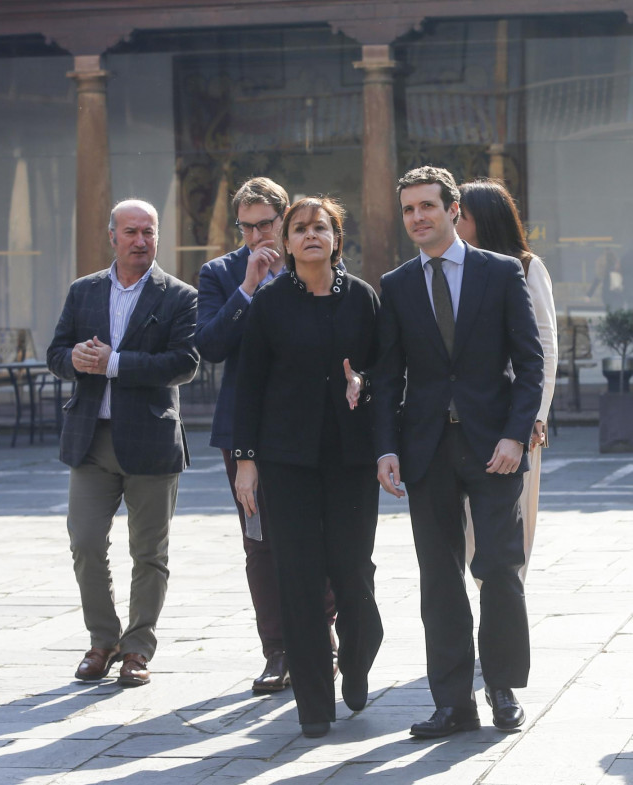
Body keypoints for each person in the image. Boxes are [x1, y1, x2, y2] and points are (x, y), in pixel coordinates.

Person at [373, 166, 544, 738]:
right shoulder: (395, 284)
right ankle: (452, 703)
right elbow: (387, 373)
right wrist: (386, 450)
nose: (417, 217)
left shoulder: (499, 272)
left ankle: (501, 687)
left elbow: (530, 362)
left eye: (427, 206)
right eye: (408, 210)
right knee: (438, 578)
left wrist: (516, 435)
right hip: (425, 448)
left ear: (452, 210)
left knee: (498, 567)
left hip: (494, 445)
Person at [234, 197, 383, 738]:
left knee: (352, 573)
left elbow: (384, 372)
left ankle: (360, 657)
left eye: (322, 226)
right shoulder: (270, 304)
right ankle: (314, 707)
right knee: (297, 578)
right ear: (288, 241)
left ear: (336, 238)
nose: (311, 235)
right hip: (286, 460)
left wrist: (362, 384)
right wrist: (246, 461)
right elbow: (247, 385)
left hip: (350, 459)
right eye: (301, 228)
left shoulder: (363, 299)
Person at [47, 199, 199, 687]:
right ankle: (102, 639)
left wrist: (115, 363)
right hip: (91, 439)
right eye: (131, 231)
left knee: (148, 552)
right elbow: (55, 353)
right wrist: (72, 357)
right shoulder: (83, 291)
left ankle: (137, 649)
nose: (140, 241)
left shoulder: (179, 296)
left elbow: (185, 363)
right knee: (86, 542)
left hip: (151, 440)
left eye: (149, 232)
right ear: (111, 235)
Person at [195, 177, 337, 695]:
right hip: (246, 431)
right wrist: (248, 287)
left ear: (284, 218)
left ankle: (321, 638)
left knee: (317, 533)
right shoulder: (221, 273)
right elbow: (209, 346)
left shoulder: (314, 258)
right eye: (247, 226)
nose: (258, 235)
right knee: (261, 544)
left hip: (311, 426)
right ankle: (277, 651)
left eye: (266, 224)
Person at [458, 178, 558, 582]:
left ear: (483, 220)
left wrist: (534, 417)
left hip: (517, 419)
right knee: (467, 529)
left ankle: (504, 609)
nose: (453, 223)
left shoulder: (528, 267)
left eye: (459, 216)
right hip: (468, 416)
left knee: (513, 528)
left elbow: (545, 348)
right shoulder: (456, 267)